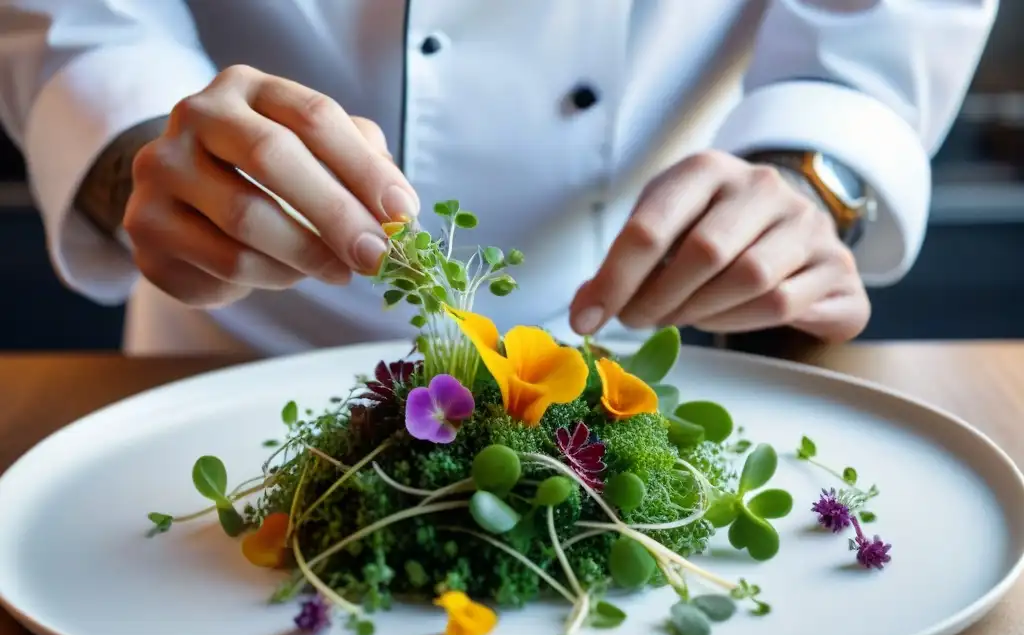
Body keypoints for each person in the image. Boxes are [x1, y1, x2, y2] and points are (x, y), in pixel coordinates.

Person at [0, 0, 998, 356]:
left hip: (638, 352)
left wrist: (806, 180)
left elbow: (876, 33)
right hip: (234, 344)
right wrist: (144, 156)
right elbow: (80, 25)